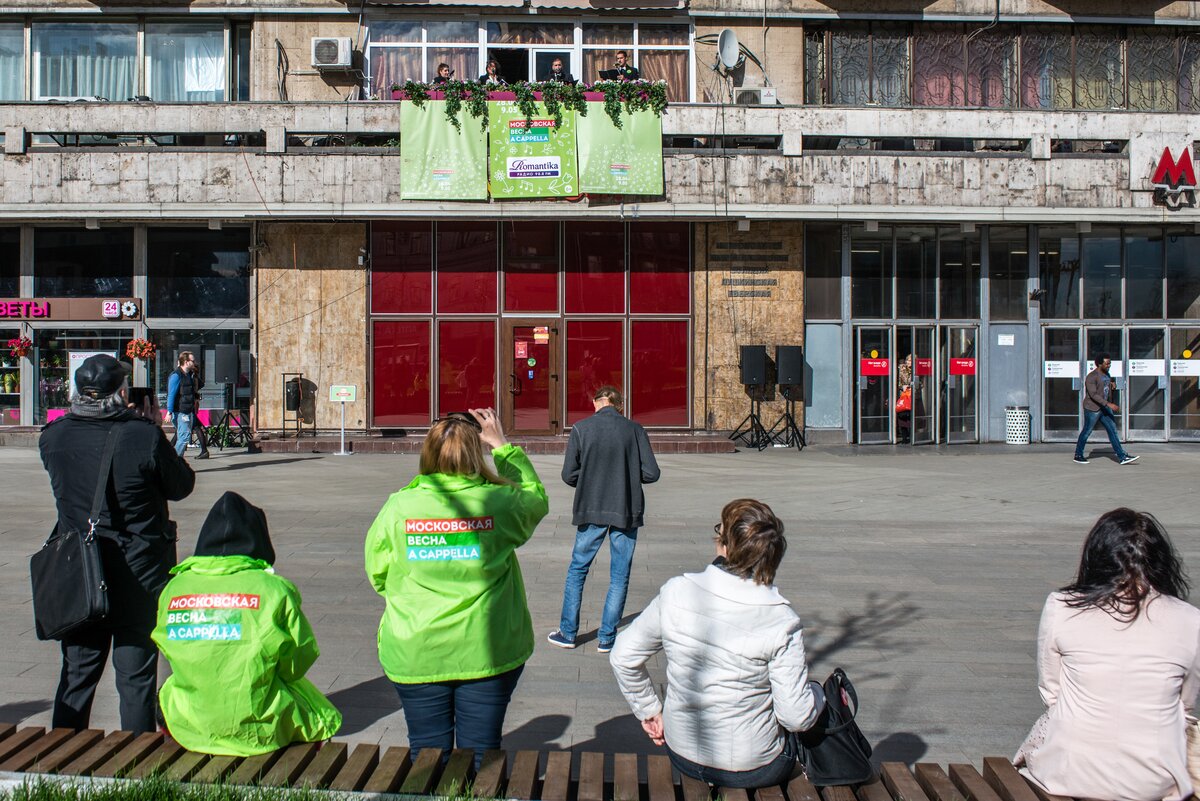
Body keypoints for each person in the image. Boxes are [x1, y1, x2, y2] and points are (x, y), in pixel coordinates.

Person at [365, 408, 548, 768]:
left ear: (428, 453)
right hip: (487, 648)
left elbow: (378, 573)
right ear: (476, 453)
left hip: (417, 646)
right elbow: (535, 498)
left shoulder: (399, 507)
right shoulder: (499, 502)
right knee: (482, 754)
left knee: (426, 755)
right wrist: (503, 448)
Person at [610, 499, 825, 788]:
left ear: (725, 547)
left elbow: (623, 655)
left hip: (681, 751)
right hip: (753, 766)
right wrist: (819, 694)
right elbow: (796, 717)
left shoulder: (677, 591)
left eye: (719, 532)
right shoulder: (781, 619)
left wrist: (649, 709)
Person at [39, 354, 195, 733]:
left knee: (77, 672)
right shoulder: (142, 436)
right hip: (139, 573)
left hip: (81, 571)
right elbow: (181, 485)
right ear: (122, 393)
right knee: (136, 677)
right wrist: (153, 428)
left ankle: (60, 752)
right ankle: (136, 758)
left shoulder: (54, 437)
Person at [1014, 508, 1200, 801]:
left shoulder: (1062, 606)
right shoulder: (1190, 619)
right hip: (1152, 780)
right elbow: (1184, 705)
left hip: (1069, 771)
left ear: (1096, 557)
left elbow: (1052, 693)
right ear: (1161, 562)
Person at [153, 492, 342, 756]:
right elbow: (298, 661)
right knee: (318, 711)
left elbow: (169, 648)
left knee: (166, 694)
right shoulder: (273, 590)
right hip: (259, 726)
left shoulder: (175, 588)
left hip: (190, 720)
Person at [548, 386, 660, 653]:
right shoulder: (635, 430)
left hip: (591, 506)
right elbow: (652, 473)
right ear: (619, 405)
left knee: (578, 569)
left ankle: (568, 633)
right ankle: (607, 638)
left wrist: (589, 479)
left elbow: (568, 474)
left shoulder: (580, 429)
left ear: (596, 402)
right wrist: (628, 475)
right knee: (619, 575)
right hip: (626, 508)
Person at [1075, 353, 1138, 465]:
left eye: (1110, 363)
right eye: (1107, 363)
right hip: (1093, 408)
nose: (1109, 365)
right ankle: (1078, 455)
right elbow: (1093, 395)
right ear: (1099, 364)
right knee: (1087, 431)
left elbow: (1104, 389)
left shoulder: (1107, 374)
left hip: (1104, 408)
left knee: (1112, 431)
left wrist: (1112, 386)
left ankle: (1122, 456)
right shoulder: (1091, 377)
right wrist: (1109, 404)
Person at [167, 351, 209, 460]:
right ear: (186, 362)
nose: (194, 363)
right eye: (192, 361)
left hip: (188, 410)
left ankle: (174, 459)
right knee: (183, 437)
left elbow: (192, 390)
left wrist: (196, 398)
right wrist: (169, 411)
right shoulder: (176, 376)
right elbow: (171, 394)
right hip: (181, 411)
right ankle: (175, 461)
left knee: (182, 435)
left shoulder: (189, 375)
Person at [896, 354, 913, 444]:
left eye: (910, 361)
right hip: (903, 395)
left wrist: (912, 386)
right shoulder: (902, 369)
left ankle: (912, 436)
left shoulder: (916, 370)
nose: (908, 362)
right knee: (902, 415)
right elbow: (897, 382)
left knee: (911, 416)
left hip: (913, 396)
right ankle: (904, 437)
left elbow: (920, 383)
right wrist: (902, 386)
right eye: (907, 360)